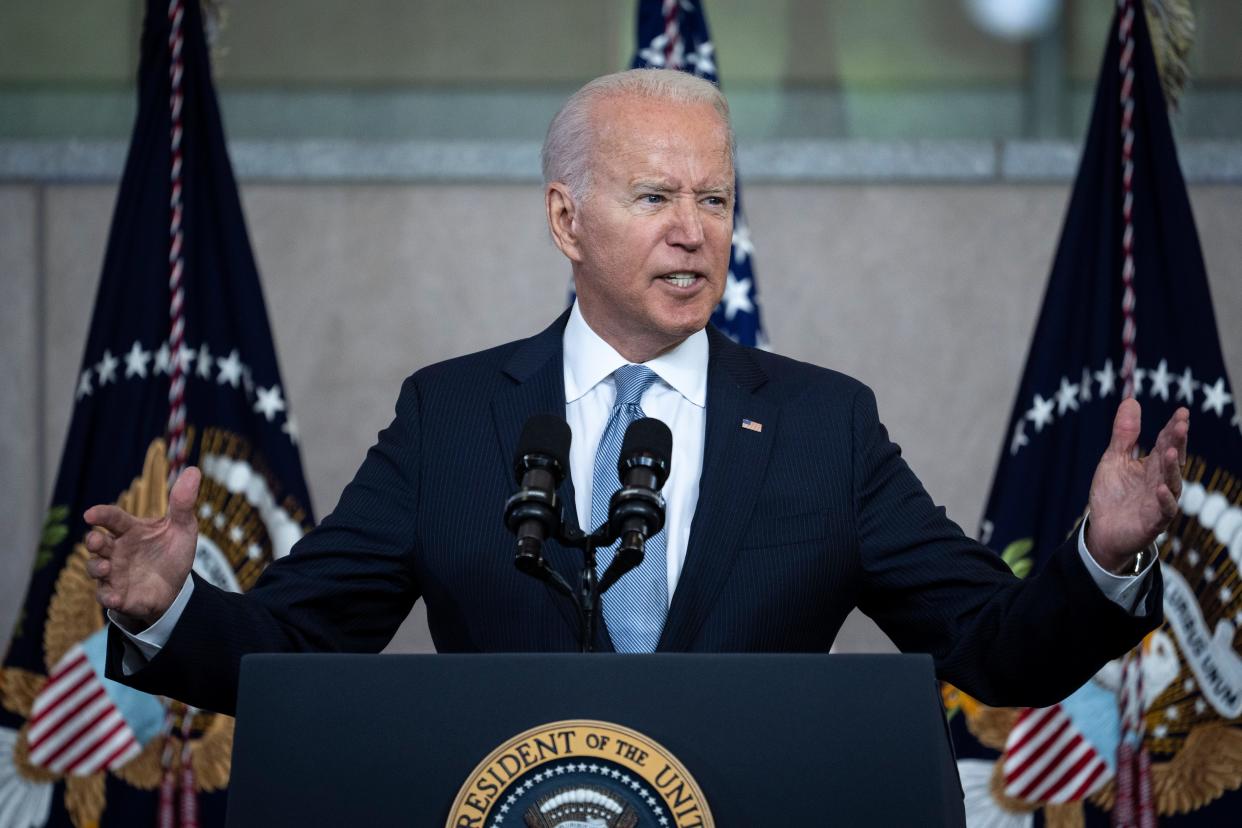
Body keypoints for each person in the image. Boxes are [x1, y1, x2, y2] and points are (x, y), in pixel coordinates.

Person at [85, 69, 1188, 717]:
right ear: (567, 219)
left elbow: (994, 645)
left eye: (715, 198)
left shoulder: (823, 426)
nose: (692, 229)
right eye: (655, 194)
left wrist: (1104, 556)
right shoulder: (452, 416)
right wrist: (167, 609)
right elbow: (298, 643)